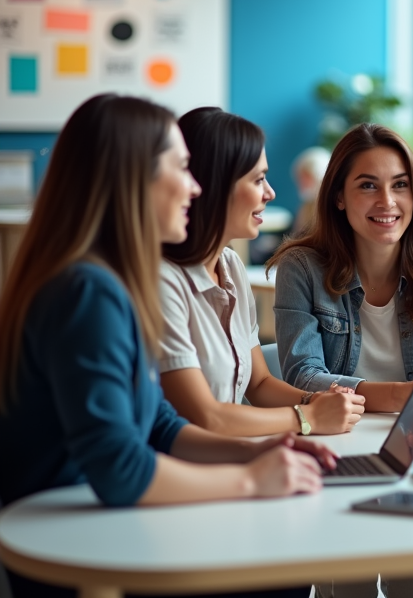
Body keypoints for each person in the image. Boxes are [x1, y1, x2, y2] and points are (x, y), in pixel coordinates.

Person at [0, 94, 335, 598]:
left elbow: (159, 423)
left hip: (97, 525)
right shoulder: (87, 292)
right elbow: (121, 468)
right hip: (77, 548)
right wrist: (250, 482)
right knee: (279, 573)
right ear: (132, 179)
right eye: (182, 168)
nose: (196, 186)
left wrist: (257, 453)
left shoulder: (110, 281)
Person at [267, 122, 413, 598]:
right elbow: (302, 374)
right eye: (367, 185)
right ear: (339, 198)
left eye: (400, 185)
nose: (387, 202)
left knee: (410, 582)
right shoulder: (302, 268)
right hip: (336, 447)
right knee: (351, 588)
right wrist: (404, 397)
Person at [159, 108, 364, 437]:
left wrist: (318, 400)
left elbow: (259, 383)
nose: (270, 193)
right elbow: (206, 417)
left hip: (226, 453)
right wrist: (307, 417)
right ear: (214, 185)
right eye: (258, 179)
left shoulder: (229, 266)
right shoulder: (161, 281)